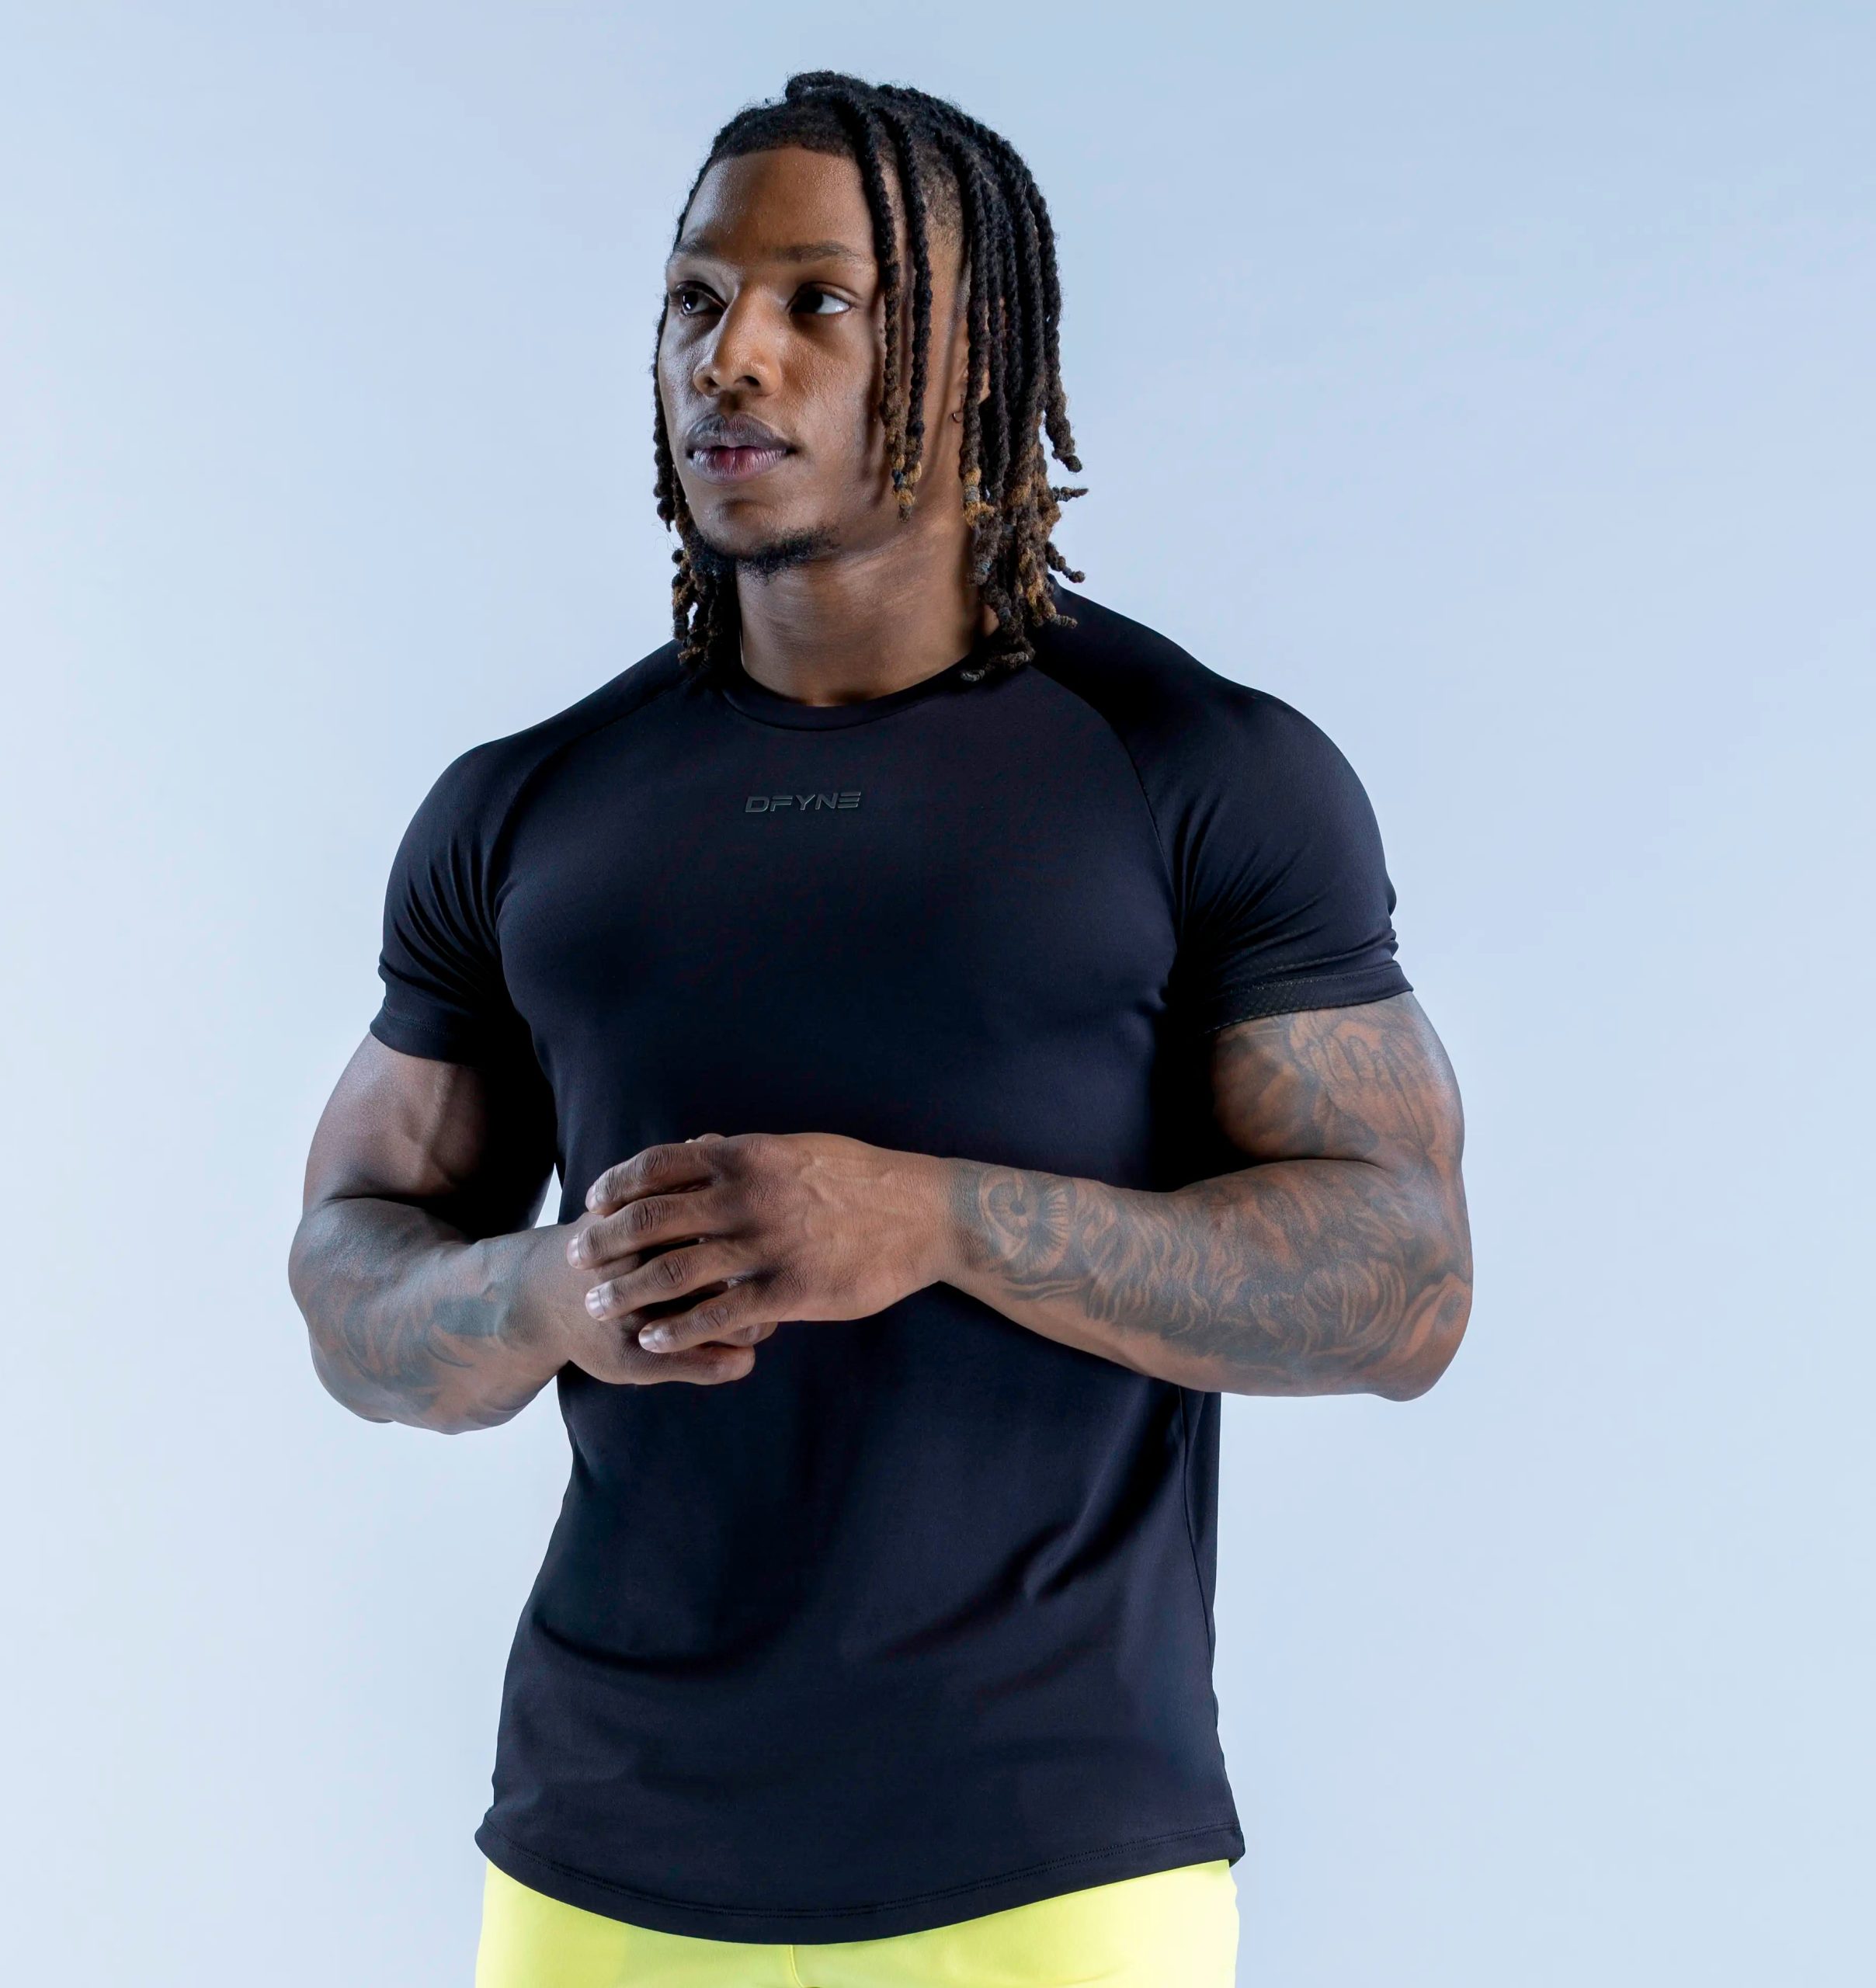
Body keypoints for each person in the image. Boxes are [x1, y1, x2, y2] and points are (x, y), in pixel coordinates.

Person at [288, 71, 1473, 1988]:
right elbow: (347, 1273)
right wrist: (542, 1294)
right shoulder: (530, 806)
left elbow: (1404, 1286)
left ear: (970, 350)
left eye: (814, 301)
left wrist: (933, 1218)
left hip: (1048, 1879)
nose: (730, 355)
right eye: (694, 299)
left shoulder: (1194, 771)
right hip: (597, 1870)